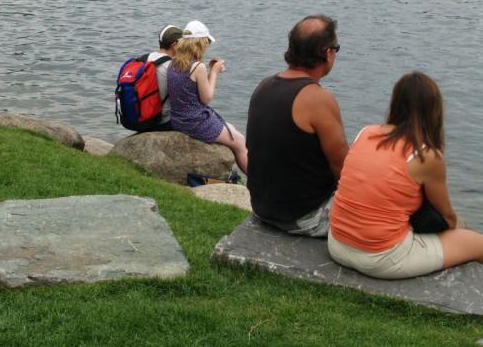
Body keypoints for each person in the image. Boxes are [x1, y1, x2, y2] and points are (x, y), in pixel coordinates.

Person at [327, 72, 483, 279]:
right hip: (381, 258)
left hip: (337, 243)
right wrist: (457, 228)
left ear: (395, 102)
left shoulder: (365, 133)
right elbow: (447, 217)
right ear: (434, 110)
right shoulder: (426, 155)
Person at [246, 15, 348, 237]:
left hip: (263, 208)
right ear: (327, 53)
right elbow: (344, 169)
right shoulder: (318, 98)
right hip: (304, 217)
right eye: (336, 48)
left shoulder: (264, 86)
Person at [167, 20, 248, 172]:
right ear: (200, 43)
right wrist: (215, 73)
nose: (207, 46)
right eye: (207, 42)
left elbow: (190, 88)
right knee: (240, 142)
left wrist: (209, 71)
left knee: (231, 128)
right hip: (195, 122)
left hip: (179, 119)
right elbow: (206, 98)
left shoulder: (174, 63)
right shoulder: (197, 67)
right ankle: (257, 182)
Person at [138, 25, 183, 132]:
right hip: (161, 122)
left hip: (141, 118)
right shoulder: (172, 67)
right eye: (183, 43)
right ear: (175, 45)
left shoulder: (144, 58)